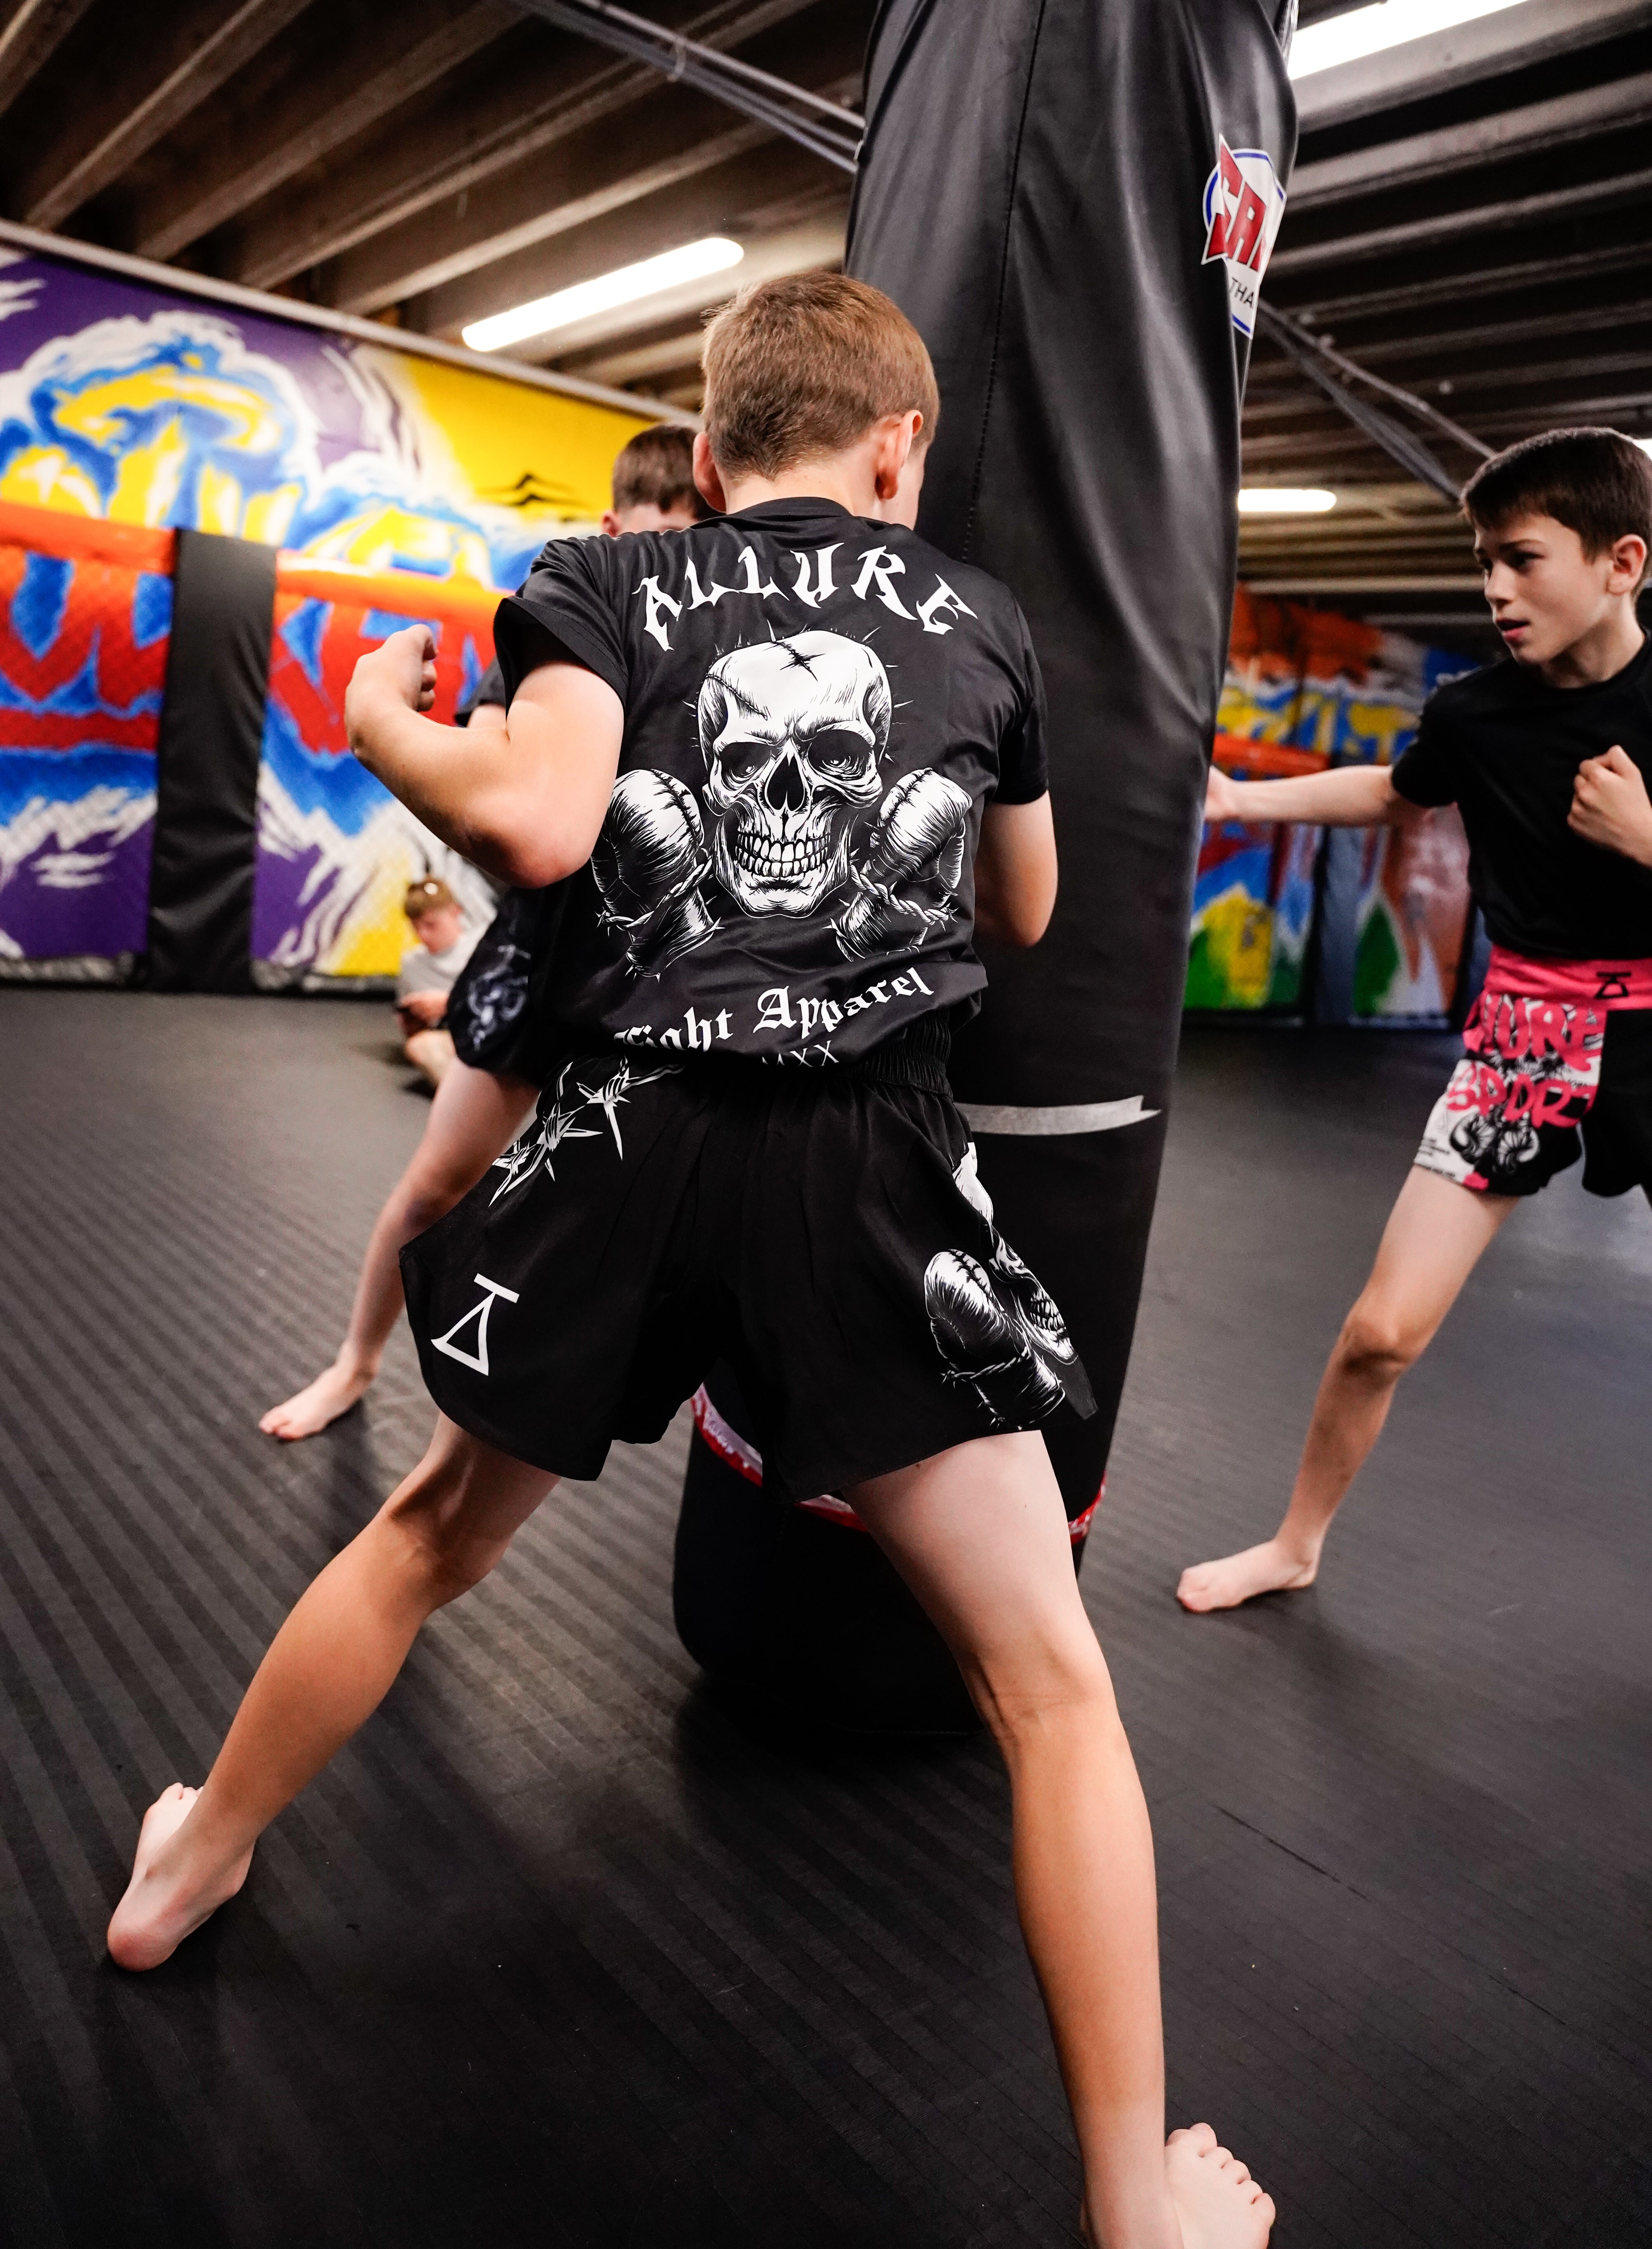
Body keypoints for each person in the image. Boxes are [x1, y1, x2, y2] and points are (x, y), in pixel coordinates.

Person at [110, 274, 1274, 2249]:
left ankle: (185, 1864)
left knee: (426, 1534)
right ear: (900, 447)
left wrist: (382, 715)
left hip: (624, 1137)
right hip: (869, 1169)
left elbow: (538, 822)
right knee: (1050, 1691)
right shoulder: (981, 615)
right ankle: (1131, 2205)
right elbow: (1028, 905)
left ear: (713, 457)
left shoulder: (609, 577)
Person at [1178, 426, 1652, 1615]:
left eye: (1523, 559)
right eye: (1484, 561)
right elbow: (1396, 795)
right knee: (1381, 1331)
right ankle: (1295, 1545)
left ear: (1622, 563)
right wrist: (1243, 798)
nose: (1496, 588)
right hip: (1524, 1038)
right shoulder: (1475, 714)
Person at [257, 424, 704, 1442]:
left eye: (688, 549)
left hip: (650, 978)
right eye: (652, 543)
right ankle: (354, 1362)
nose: (665, 571)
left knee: (608, 1227)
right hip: (540, 960)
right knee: (437, 1185)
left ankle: (498, 1428)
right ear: (610, 532)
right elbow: (498, 795)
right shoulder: (558, 638)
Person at [394, 877, 478, 1088]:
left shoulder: (484, 946)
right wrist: (413, 1023)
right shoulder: (411, 963)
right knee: (420, 1046)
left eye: (431, 925)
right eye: (416, 926)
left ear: (456, 912)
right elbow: (419, 1033)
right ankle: (463, 1095)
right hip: (456, 1041)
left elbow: (511, 1003)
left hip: (496, 1036)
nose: (422, 935)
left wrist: (449, 1003)